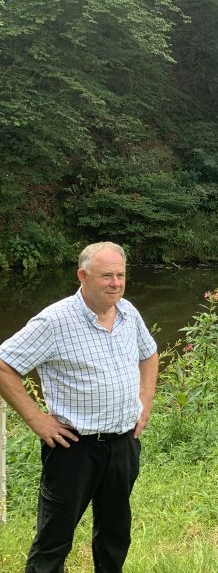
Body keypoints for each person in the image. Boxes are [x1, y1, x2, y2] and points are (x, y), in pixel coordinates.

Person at [0, 241, 158, 573]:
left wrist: (145, 403)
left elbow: (150, 353)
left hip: (123, 443)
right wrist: (36, 419)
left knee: (115, 531)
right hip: (73, 447)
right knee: (54, 538)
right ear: (82, 276)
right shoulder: (54, 321)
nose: (116, 283)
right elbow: (4, 365)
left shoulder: (128, 313)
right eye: (106, 276)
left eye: (120, 275)